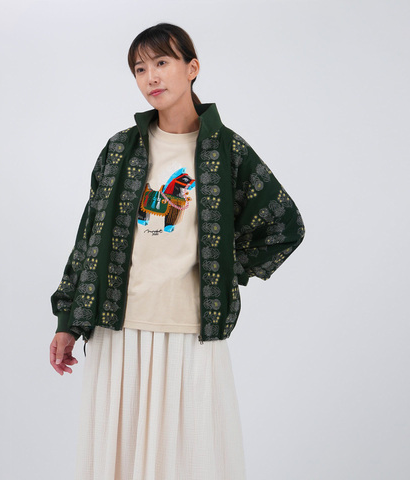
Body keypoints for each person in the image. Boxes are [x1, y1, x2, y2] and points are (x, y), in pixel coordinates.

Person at [49, 22, 305, 480]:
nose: (151, 77)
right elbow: (87, 238)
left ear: (192, 68)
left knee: (188, 462)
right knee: (118, 461)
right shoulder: (119, 150)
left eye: (162, 62)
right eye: (139, 68)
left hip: (188, 329)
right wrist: (67, 321)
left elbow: (284, 225)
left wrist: (224, 270)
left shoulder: (227, 151)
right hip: (116, 326)